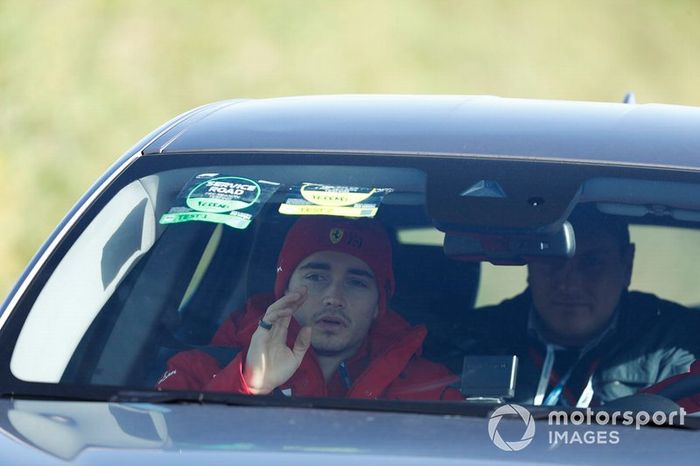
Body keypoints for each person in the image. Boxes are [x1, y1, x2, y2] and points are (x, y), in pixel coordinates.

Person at [157, 216, 462, 400]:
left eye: (357, 283)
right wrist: (247, 385)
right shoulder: (200, 370)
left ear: (377, 306)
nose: (333, 296)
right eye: (316, 277)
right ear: (285, 291)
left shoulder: (432, 389)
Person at [435, 205, 700, 407]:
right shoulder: (468, 341)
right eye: (552, 259)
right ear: (530, 264)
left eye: (592, 262)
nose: (568, 284)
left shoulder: (678, 347)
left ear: (627, 265)